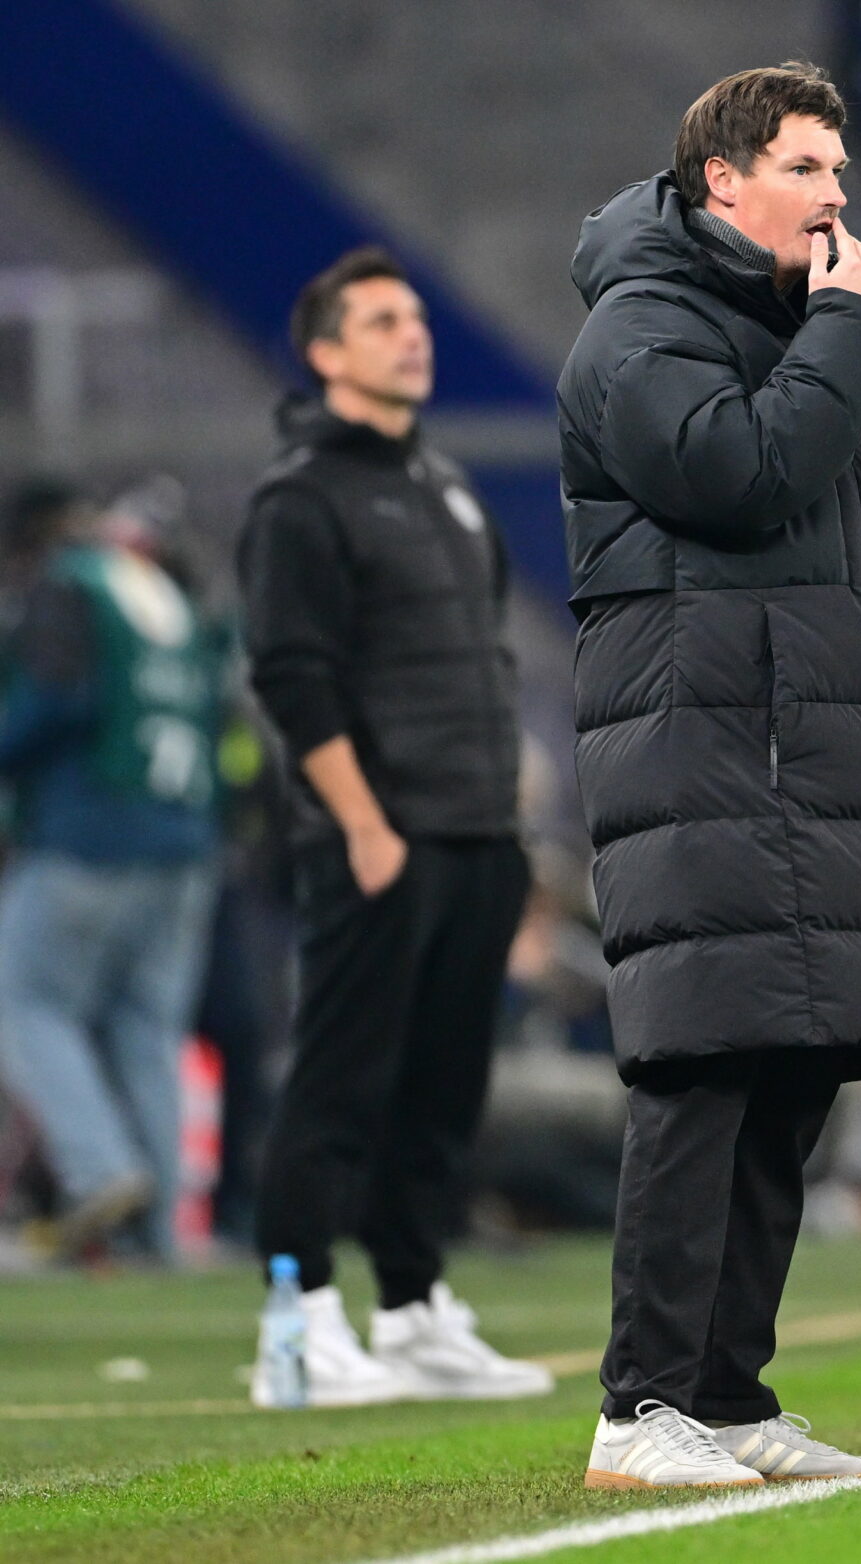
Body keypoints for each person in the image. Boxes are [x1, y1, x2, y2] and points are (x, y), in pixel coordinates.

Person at [557, 61, 861, 1489]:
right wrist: (848, 332)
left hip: (805, 742)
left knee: (791, 1066)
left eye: (840, 175)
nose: (835, 198)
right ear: (722, 181)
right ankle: (639, 1406)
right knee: (705, 1065)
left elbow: (854, 573)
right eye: (805, 169)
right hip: (697, 744)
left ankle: (726, 1397)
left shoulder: (794, 329)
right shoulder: (642, 329)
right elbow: (738, 477)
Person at [237, 247, 551, 1405]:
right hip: (379, 837)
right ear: (326, 352)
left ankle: (413, 1306)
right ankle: (296, 1316)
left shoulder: (444, 484)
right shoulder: (299, 498)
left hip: (475, 835)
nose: (409, 336)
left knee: (440, 1087)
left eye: (414, 317)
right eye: (379, 321)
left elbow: (486, 661)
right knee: (338, 1080)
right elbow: (292, 675)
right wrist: (363, 822)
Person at [0, 485, 222, 1263]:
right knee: (146, 1032)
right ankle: (162, 1234)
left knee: (23, 1000)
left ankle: (99, 1168)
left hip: (91, 835)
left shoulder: (73, 583)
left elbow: (57, 701)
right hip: (185, 840)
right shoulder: (168, 594)